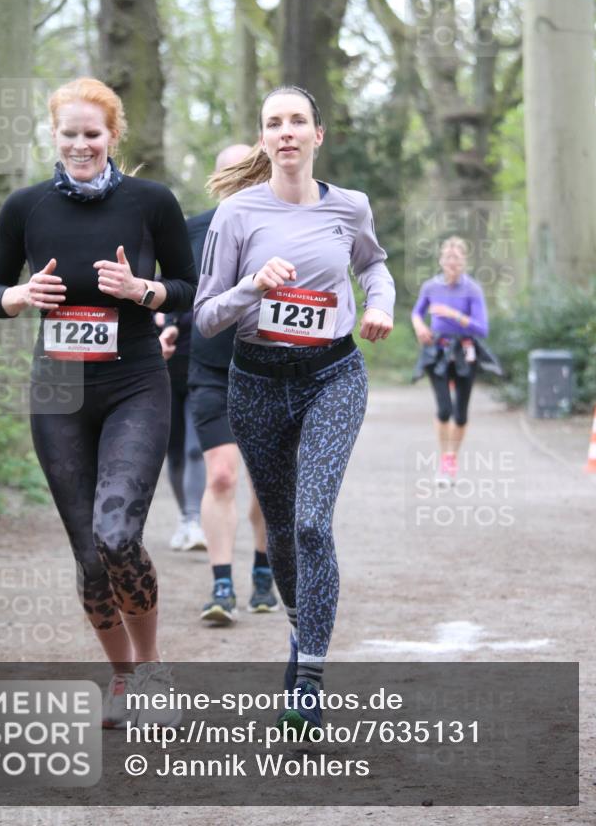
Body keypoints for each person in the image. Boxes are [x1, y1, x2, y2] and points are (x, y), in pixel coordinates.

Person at [0, 77, 197, 730]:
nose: (80, 145)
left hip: (133, 379)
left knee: (117, 534)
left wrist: (143, 289)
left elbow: (188, 287)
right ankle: (122, 679)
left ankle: (154, 667)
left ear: (113, 136)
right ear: (54, 135)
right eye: (69, 134)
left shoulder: (151, 202)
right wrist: (17, 298)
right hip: (58, 387)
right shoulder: (25, 208)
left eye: (92, 134)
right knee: (86, 554)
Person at [194, 88, 394, 735]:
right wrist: (252, 287)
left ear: (318, 135)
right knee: (280, 533)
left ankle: (308, 677)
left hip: (331, 375)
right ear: (262, 140)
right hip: (254, 381)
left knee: (311, 524)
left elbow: (376, 266)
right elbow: (203, 316)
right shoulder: (236, 213)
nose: (286, 132)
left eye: (297, 121)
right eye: (273, 123)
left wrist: (379, 304)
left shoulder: (349, 207)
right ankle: (298, 631)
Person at [187, 145, 278, 626]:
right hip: (211, 371)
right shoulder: (193, 230)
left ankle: (263, 573)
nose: (241, 184)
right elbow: (181, 295)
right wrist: (166, 328)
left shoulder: (283, 225)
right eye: (231, 176)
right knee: (221, 475)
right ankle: (221, 585)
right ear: (217, 180)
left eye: (251, 175)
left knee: (267, 487)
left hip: (269, 370)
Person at [411, 235, 501, 484]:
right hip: (437, 351)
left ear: (464, 262)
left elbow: (482, 329)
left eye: (457, 259)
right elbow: (417, 312)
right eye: (448, 258)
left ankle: (451, 459)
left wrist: (453, 314)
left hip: (464, 352)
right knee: (444, 409)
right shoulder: (430, 287)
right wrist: (420, 326)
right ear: (440, 260)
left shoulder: (472, 289)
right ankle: (444, 459)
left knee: (460, 414)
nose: (452, 262)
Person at [157, 310, 207, 552]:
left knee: (195, 450)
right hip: (163, 381)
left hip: (199, 378)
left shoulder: (196, 286)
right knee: (175, 455)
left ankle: (194, 519)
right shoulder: (147, 287)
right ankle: (185, 518)